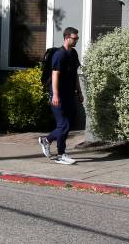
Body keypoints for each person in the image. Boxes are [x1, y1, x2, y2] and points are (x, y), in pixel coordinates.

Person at [38, 27, 81, 165]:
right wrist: (55, 95)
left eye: (77, 38)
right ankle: (61, 154)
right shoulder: (59, 55)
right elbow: (55, 75)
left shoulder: (73, 53)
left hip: (70, 94)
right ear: (67, 37)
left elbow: (75, 75)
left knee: (68, 125)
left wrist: (79, 92)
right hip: (59, 95)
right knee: (64, 124)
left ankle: (47, 140)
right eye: (75, 38)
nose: (77, 40)